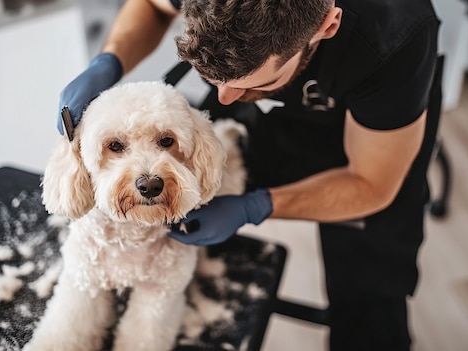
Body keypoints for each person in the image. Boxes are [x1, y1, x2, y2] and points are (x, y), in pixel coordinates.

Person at [56, 0, 441, 350]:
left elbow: (371, 184)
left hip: (373, 138)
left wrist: (255, 207)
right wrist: (110, 59)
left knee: (371, 298)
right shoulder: (232, 84)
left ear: (327, 25)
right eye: (214, 77)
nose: (221, 97)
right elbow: (154, 7)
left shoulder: (396, 37)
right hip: (259, 116)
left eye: (250, 82)